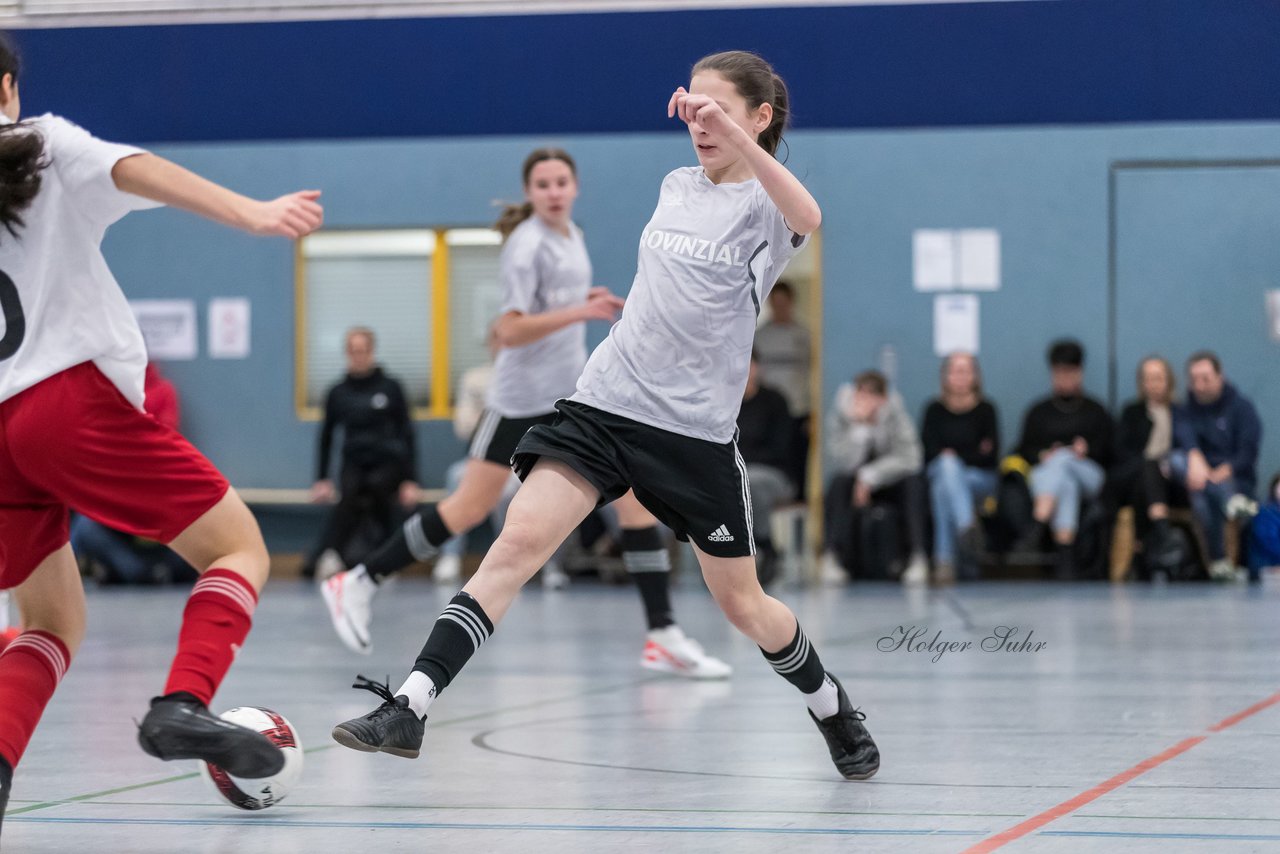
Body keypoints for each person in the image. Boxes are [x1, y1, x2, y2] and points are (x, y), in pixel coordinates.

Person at [330, 51, 878, 781]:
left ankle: (830, 703)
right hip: (605, 403)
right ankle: (411, 702)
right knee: (516, 545)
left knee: (745, 606)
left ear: (759, 117)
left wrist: (742, 143)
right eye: (692, 109)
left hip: (692, 434)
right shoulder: (676, 185)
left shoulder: (769, 210)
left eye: (716, 111)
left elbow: (809, 214)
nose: (699, 125)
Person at [0, 36, 323, 836]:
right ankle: (182, 700)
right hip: (64, 400)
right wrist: (249, 211)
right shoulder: (37, 144)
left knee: (46, 623)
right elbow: (133, 165)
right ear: (6, 88)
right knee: (238, 547)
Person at [322, 148, 731, 679]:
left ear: (575, 186)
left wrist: (582, 299)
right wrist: (580, 311)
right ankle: (359, 580)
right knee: (466, 509)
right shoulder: (526, 244)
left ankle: (662, 633)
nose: (554, 191)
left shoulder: (571, 237)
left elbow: (548, 305)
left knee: (634, 507)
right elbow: (509, 330)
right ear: (530, 192)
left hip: (572, 399)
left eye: (562, 181)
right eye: (543, 184)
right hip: (517, 403)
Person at [305, 327, 420, 579]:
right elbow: (326, 437)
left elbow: (407, 433)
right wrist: (322, 478)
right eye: (354, 351)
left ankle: (386, 559)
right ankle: (333, 554)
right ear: (347, 353)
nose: (359, 356)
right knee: (349, 493)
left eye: (364, 350)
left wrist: (411, 480)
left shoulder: (390, 387)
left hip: (386, 463)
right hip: (354, 463)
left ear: (371, 351)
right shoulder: (338, 392)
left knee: (379, 489)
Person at [69, 361, 196, 585]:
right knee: (86, 525)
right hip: (119, 489)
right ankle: (136, 571)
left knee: (193, 524)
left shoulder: (161, 391)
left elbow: (165, 434)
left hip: (156, 489)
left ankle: (143, 571)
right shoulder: (108, 393)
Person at [1013, 339, 1113, 577]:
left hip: (1089, 475)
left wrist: (1085, 450)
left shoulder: (1095, 410)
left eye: (1070, 372)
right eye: (1060, 372)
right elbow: (1024, 449)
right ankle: (1065, 555)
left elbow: (1111, 451)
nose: (1065, 378)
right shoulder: (1038, 411)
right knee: (1064, 479)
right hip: (1049, 477)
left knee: (1065, 459)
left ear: (1080, 373)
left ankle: (1037, 525)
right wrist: (1044, 454)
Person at [822, 370, 928, 585]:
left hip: (889, 482)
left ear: (883, 399)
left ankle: (917, 557)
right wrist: (859, 430)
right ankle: (832, 556)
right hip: (854, 485)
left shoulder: (896, 414)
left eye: (872, 396)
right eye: (861, 395)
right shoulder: (840, 416)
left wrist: (869, 477)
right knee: (838, 484)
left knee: (914, 484)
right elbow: (839, 463)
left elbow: (912, 458)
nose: (866, 402)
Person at [1170, 351, 1262, 580]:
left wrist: (1224, 470)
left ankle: (1219, 560)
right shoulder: (1184, 410)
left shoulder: (1242, 408)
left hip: (1234, 479)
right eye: (1194, 380)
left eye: (1206, 379)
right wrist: (1195, 457)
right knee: (1176, 461)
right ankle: (1228, 504)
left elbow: (1248, 452)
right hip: (1196, 479)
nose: (1199, 386)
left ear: (1220, 377)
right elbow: (1184, 437)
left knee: (1204, 497)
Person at [921, 352, 999, 584]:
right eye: (955, 370)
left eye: (965, 370)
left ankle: (944, 561)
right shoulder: (933, 410)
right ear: (945, 376)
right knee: (945, 470)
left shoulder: (986, 409)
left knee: (944, 485)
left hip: (980, 477)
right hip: (940, 470)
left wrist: (954, 456)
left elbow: (990, 455)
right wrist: (968, 454)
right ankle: (967, 526)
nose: (960, 376)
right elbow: (929, 452)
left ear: (975, 376)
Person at [1111, 356, 1181, 574]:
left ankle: (1144, 549)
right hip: (1133, 476)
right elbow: (1121, 451)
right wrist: (1148, 463)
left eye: (1158, 378)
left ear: (1168, 380)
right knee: (1147, 468)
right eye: (1148, 378)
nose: (1153, 384)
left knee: (1151, 475)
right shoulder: (1132, 412)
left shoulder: (1180, 413)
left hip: (1170, 481)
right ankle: (1162, 536)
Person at [737, 350, 795, 585]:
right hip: (733, 470)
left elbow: (781, 449)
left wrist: (739, 460)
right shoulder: (723, 400)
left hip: (773, 474)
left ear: (758, 367)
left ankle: (764, 544)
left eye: (748, 364)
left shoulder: (775, 401)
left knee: (749, 481)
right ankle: (724, 550)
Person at [754, 280, 811, 493]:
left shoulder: (803, 335)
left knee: (798, 457)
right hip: (768, 409)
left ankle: (799, 497)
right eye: (775, 303)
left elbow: (811, 371)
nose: (780, 307)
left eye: (783, 303)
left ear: (791, 303)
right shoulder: (760, 336)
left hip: (797, 407)